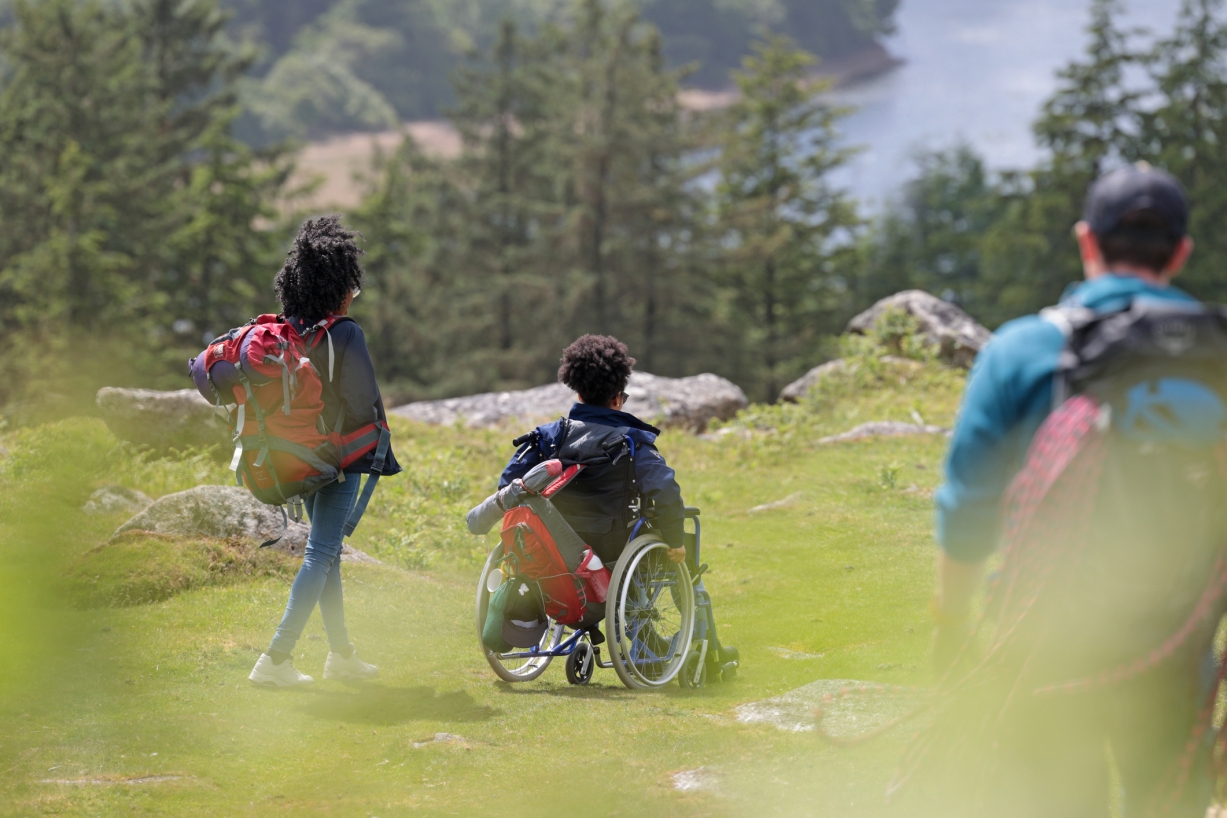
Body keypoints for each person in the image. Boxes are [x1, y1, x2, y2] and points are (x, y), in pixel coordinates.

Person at [925, 165, 1214, 814]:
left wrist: (951, 624)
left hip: (1045, 644)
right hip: (1177, 640)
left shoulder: (1024, 351)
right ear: (1178, 252)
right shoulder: (1215, 357)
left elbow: (967, 507)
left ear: (1087, 241)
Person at [248, 216, 401, 688]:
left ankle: (341, 656)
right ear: (341, 283)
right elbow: (361, 403)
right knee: (320, 554)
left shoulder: (287, 330)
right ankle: (275, 659)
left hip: (295, 454)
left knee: (328, 552)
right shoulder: (345, 334)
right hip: (336, 460)